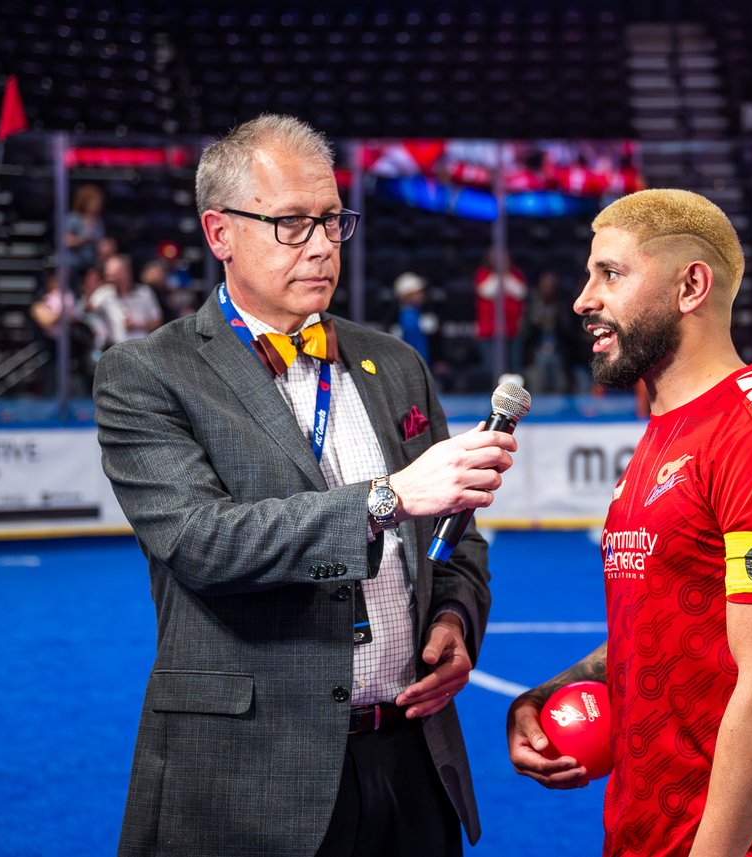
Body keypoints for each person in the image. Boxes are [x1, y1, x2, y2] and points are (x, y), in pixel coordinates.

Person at [94, 113, 517, 857]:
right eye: (291, 223)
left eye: (331, 220)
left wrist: (455, 619)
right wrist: (387, 498)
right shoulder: (149, 374)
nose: (323, 246)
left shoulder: (396, 363)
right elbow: (202, 542)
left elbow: (456, 533)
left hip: (411, 756)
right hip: (251, 775)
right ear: (220, 232)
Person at [507, 189, 752, 856]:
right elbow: (662, 629)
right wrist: (552, 692)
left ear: (691, 285)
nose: (583, 299)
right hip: (644, 831)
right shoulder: (660, 439)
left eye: (610, 273)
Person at [474, 248, 527, 383]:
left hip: (512, 330)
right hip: (489, 331)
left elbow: (520, 292)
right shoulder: (483, 274)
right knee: (491, 368)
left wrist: (505, 275)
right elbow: (486, 291)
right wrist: (498, 275)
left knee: (515, 368)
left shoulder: (515, 274)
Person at [90, 253, 164, 344]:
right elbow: (89, 309)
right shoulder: (105, 293)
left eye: (115, 275)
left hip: (141, 347)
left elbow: (157, 321)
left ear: (126, 272)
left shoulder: (144, 292)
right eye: (109, 276)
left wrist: (139, 325)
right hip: (115, 349)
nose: (112, 279)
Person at [391, 271, 434, 366]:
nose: (421, 295)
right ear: (406, 296)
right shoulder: (408, 318)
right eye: (417, 292)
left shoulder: (417, 314)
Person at [63, 184, 106, 276]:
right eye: (92, 201)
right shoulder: (74, 219)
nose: (95, 204)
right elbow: (66, 240)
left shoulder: (99, 222)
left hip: (91, 263)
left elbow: (101, 241)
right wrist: (83, 240)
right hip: (74, 263)